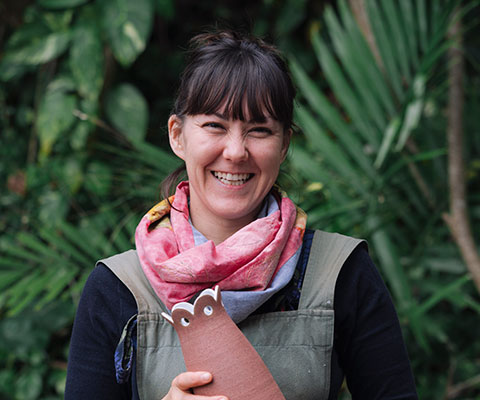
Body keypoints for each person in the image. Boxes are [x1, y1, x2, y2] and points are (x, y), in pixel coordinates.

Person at [65, 31, 418, 400]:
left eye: (259, 131)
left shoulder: (339, 272)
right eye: (215, 126)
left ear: (284, 145)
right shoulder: (117, 288)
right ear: (177, 135)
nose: (235, 152)